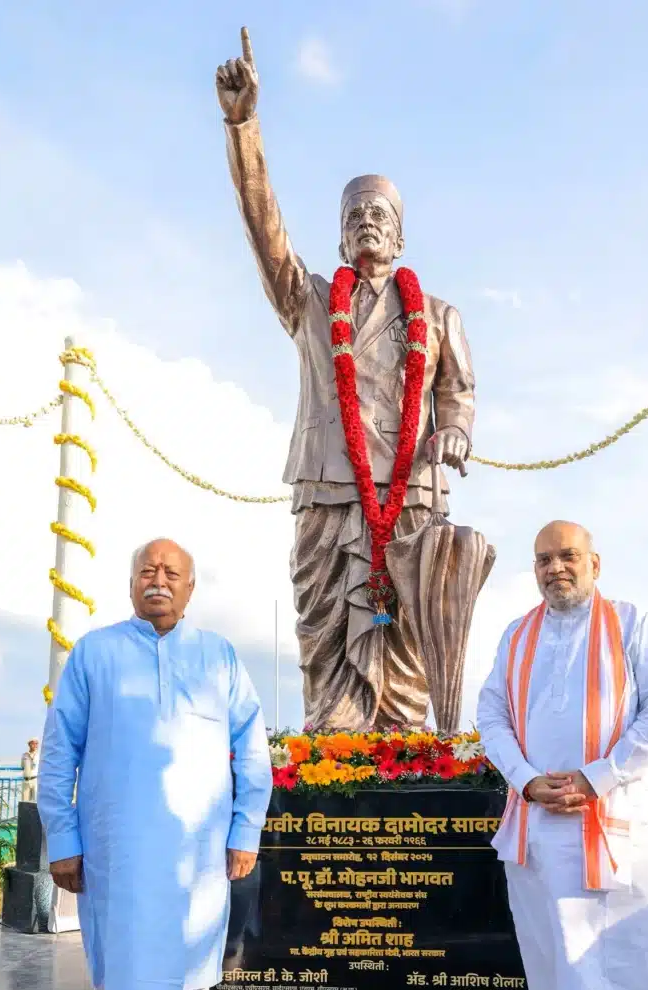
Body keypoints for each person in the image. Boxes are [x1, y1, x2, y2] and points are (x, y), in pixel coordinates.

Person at [217, 28, 476, 733]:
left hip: (412, 482)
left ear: (399, 236)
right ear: (338, 239)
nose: (366, 225)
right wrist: (244, 126)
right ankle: (332, 748)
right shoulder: (308, 301)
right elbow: (263, 227)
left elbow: (457, 390)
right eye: (353, 217)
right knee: (325, 627)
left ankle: (405, 747)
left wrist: (452, 428)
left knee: (409, 630)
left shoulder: (440, 313)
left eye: (379, 217)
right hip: (329, 483)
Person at [476, 521, 648, 990]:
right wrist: (525, 777)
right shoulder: (517, 634)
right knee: (559, 956)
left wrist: (599, 777)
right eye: (544, 560)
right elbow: (491, 713)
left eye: (568, 556)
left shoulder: (631, 624)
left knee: (631, 961)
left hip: (620, 825)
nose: (556, 568)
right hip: (541, 826)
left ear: (594, 563)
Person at [37, 538, 273, 990]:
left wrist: (245, 831)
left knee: (189, 989)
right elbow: (60, 752)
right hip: (115, 853)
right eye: (148, 572)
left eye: (171, 574)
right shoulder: (93, 653)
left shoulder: (219, 656)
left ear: (189, 590)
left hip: (199, 855)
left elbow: (252, 749)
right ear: (130, 586)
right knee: (117, 983)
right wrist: (62, 841)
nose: (158, 581)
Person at [20, 738, 39, 802]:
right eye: (33, 743)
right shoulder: (24, 755)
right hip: (26, 781)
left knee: (35, 801)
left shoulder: (39, 755)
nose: (35, 745)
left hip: (35, 780)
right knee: (24, 801)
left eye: (36, 743)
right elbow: (22, 766)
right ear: (29, 744)